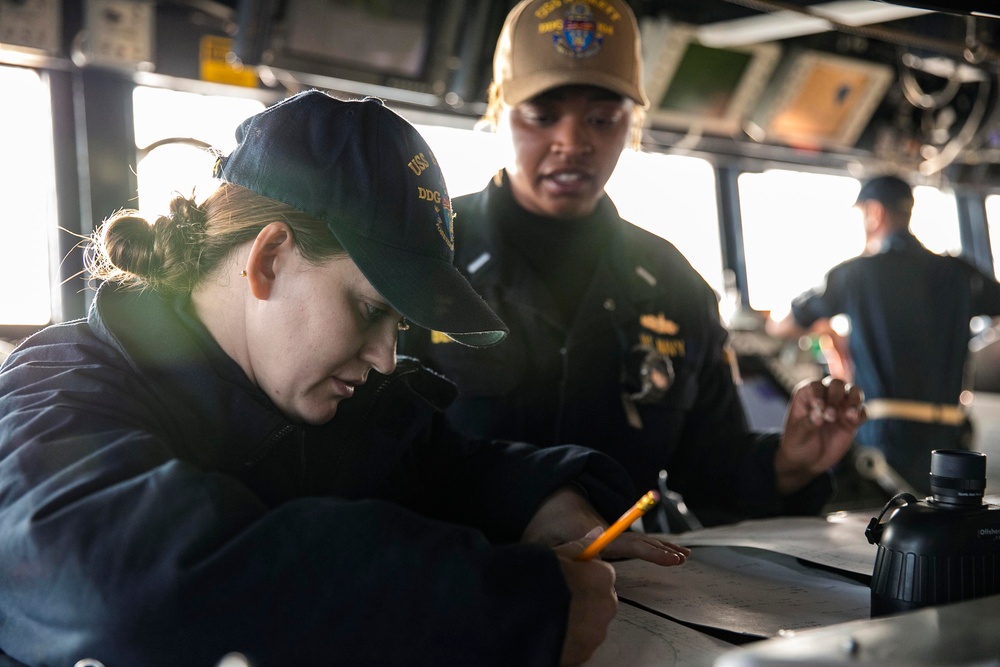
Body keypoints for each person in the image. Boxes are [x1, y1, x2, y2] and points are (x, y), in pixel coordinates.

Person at [0, 90, 690, 667]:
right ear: (268, 260)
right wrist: (507, 610)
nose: (388, 357)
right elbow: (126, 594)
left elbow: (462, 468)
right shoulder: (55, 393)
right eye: (369, 309)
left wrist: (551, 503)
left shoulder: (348, 410)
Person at [399, 0, 864, 530]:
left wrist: (790, 464)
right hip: (455, 575)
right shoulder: (422, 252)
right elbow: (371, 449)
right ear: (498, 109)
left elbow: (708, 468)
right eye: (543, 116)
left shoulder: (673, 284)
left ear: (631, 123)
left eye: (601, 119)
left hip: (627, 588)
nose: (572, 143)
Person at [767, 174, 1000, 494]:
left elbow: (783, 325)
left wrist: (824, 328)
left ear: (875, 212)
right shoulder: (959, 272)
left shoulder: (855, 273)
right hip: (950, 438)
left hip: (884, 437)